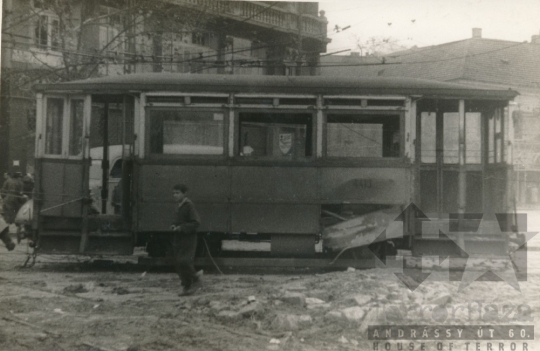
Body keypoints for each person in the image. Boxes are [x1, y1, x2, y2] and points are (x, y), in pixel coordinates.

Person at [171, 184, 201, 296]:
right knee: (178, 262)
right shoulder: (179, 206)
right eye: (174, 193)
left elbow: (196, 222)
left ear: (184, 194)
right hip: (179, 238)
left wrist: (181, 228)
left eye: (177, 193)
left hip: (189, 238)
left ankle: (196, 279)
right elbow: (179, 221)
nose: (175, 195)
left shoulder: (189, 205)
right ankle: (186, 286)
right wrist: (174, 225)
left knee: (184, 261)